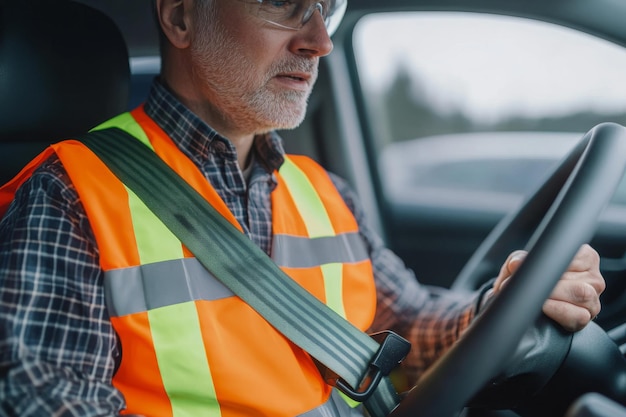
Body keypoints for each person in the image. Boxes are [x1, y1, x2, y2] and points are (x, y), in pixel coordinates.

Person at [0, 0, 605, 416]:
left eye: (326, 7)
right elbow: (47, 398)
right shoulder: (70, 195)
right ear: (182, 16)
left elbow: (411, 326)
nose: (319, 40)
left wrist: (501, 302)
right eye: (281, 1)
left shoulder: (324, 190)